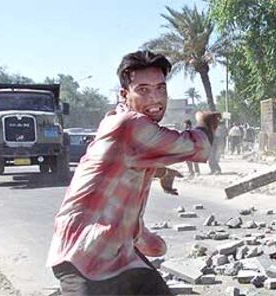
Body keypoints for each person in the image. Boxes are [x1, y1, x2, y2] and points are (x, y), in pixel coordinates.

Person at [46, 50, 220, 296]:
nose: (156, 99)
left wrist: (160, 171)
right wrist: (205, 121)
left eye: (161, 89)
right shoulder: (128, 124)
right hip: (83, 253)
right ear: (125, 94)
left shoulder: (121, 122)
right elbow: (197, 146)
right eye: (144, 90)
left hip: (121, 254)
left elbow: (121, 171)